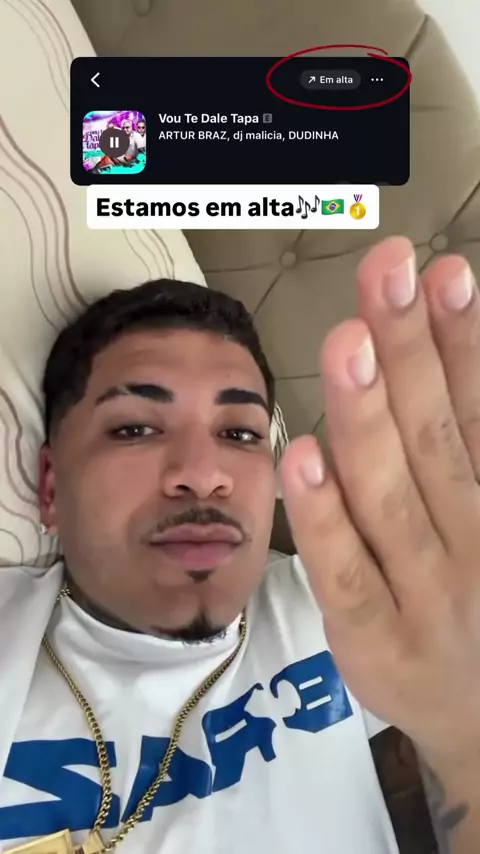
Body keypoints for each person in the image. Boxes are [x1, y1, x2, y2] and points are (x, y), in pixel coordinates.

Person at [0, 235, 479, 854]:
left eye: (239, 433)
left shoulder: (349, 606)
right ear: (50, 488)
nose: (204, 474)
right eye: (135, 428)